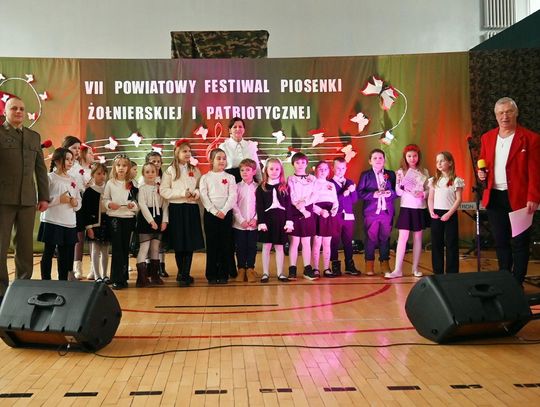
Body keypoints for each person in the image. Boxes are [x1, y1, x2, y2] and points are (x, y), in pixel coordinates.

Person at [478, 97, 540, 285]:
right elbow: (483, 162)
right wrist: (482, 175)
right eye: (501, 113)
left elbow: (535, 171)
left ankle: (517, 283)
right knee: (501, 241)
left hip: (520, 198)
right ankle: (505, 282)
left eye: (508, 112)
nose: (505, 116)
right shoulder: (487, 138)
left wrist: (533, 196)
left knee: (520, 242)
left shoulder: (530, 138)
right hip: (495, 196)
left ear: (516, 113)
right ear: (496, 116)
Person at [0, 97, 49, 303]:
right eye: (14, 108)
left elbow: (40, 169)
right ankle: (1, 291)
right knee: (1, 246)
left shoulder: (33, 136)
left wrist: (44, 196)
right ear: (5, 112)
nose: (18, 112)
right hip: (3, 199)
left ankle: (23, 286)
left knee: (25, 246)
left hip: (28, 200)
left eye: (21, 108)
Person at [160, 139, 205, 287]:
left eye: (189, 151)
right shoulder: (170, 171)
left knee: (189, 242)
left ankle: (185, 273)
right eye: (184, 151)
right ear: (177, 152)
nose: (187, 154)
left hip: (191, 208)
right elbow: (164, 191)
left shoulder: (195, 170)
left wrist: (196, 194)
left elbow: (199, 187)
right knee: (179, 242)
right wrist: (181, 194)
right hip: (177, 209)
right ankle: (181, 273)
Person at [385, 144, 430, 279]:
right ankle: (397, 269)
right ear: (405, 157)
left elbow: (429, 190)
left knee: (418, 238)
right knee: (402, 238)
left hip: (419, 208)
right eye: (409, 156)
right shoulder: (400, 172)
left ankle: (415, 268)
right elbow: (398, 193)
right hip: (406, 208)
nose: (412, 158)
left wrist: (423, 194)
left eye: (415, 156)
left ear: (418, 156)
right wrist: (399, 182)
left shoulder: (424, 171)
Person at [38, 148, 81, 280]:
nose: (70, 162)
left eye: (71, 159)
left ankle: (62, 282)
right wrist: (59, 200)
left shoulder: (73, 179)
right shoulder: (49, 178)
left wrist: (75, 203)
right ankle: (46, 280)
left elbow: (78, 201)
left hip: (69, 223)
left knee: (65, 255)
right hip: (52, 221)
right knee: (49, 252)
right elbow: (42, 201)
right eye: (67, 159)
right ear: (57, 161)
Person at [199, 148, 238, 284]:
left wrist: (224, 210)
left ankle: (223, 273)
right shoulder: (205, 178)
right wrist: (214, 211)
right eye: (218, 158)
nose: (222, 161)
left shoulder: (230, 177)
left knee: (225, 244)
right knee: (212, 244)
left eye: (224, 158)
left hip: (225, 214)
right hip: (211, 215)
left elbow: (233, 195)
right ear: (211, 160)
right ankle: (211, 274)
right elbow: (204, 196)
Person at [357, 149, 397, 276]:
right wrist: (373, 194)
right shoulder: (365, 175)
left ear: (384, 160)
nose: (378, 160)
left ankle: (385, 264)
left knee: (385, 238)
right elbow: (359, 193)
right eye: (375, 158)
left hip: (386, 212)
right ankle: (369, 264)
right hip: (371, 212)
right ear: (370, 161)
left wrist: (390, 193)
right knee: (371, 238)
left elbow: (397, 191)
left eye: (380, 158)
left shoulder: (391, 174)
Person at [103, 154, 139, 289]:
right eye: (118, 165)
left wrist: (132, 205)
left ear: (128, 168)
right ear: (114, 167)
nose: (121, 168)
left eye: (124, 165)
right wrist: (109, 204)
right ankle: (116, 278)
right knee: (117, 247)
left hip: (128, 218)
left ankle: (123, 277)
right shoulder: (110, 183)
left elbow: (136, 202)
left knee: (124, 247)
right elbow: (105, 199)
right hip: (114, 218)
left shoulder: (132, 183)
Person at [256, 158, 294, 283]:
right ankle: (265, 273)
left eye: (277, 169)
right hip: (267, 219)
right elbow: (259, 207)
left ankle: (280, 273)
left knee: (279, 247)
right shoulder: (261, 187)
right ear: (266, 170)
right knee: (266, 246)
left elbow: (288, 206)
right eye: (271, 169)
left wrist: (289, 221)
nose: (274, 171)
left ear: (281, 170)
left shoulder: (285, 187)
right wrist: (261, 222)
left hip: (281, 219)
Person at [428, 151, 464, 274]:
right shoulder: (434, 180)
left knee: (451, 243)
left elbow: (458, 199)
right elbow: (430, 198)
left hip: (450, 213)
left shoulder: (456, 180)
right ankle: (437, 271)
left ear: (450, 163)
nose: (439, 163)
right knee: (436, 243)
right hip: (436, 214)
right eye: (437, 161)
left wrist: (449, 214)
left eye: (442, 161)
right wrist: (431, 211)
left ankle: (452, 272)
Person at [136, 162, 168, 287]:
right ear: (143, 174)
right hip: (146, 219)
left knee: (155, 248)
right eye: (147, 172)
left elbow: (165, 205)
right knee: (144, 248)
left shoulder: (160, 187)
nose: (150, 174)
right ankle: (142, 278)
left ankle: (155, 276)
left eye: (153, 172)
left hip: (158, 218)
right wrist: (151, 221)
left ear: (157, 173)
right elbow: (142, 205)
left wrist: (164, 221)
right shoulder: (142, 188)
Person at [287, 152, 317, 280]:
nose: (300, 165)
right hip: (295, 211)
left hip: (308, 211)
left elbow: (315, 194)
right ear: (293, 164)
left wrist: (305, 204)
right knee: (294, 241)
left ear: (307, 163)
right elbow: (291, 195)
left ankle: (307, 268)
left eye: (303, 162)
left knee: (306, 241)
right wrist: (301, 208)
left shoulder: (313, 178)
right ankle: (292, 269)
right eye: (297, 162)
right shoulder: (290, 179)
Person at [79, 162, 111, 284]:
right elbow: (85, 211)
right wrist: (89, 227)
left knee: (105, 251)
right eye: (98, 173)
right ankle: (97, 275)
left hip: (106, 223)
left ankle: (105, 274)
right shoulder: (89, 191)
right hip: (94, 225)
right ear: (93, 175)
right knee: (95, 251)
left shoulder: (108, 189)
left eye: (104, 173)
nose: (102, 176)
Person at [330, 157, 360, 276]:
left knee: (348, 241)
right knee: (334, 241)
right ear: (332, 168)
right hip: (336, 216)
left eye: (343, 168)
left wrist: (353, 191)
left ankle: (349, 265)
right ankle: (335, 266)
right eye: (338, 168)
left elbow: (354, 200)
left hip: (348, 216)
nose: (340, 171)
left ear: (346, 168)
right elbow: (332, 200)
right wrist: (344, 193)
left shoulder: (350, 182)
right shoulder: (329, 184)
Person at [62, 136, 86, 280]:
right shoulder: (61, 166)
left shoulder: (79, 167)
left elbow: (82, 186)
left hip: (77, 204)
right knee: (65, 239)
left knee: (77, 236)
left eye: (78, 148)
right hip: (64, 206)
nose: (77, 151)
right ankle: (64, 270)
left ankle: (76, 268)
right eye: (74, 148)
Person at [232, 158, 259, 282]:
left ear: (254, 172)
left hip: (253, 224)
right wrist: (240, 220)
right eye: (242, 170)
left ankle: (250, 269)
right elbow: (234, 204)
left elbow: (261, 206)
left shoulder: (258, 187)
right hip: (240, 225)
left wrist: (256, 219)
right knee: (240, 247)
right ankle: (241, 269)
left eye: (247, 170)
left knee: (252, 247)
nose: (244, 172)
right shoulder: (236, 187)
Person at [311, 161, 339, 278]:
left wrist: (334, 210)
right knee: (317, 242)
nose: (323, 171)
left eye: (325, 169)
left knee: (327, 242)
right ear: (315, 170)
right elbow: (310, 202)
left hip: (329, 214)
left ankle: (327, 268)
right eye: (320, 169)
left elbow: (335, 200)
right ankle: (315, 268)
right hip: (318, 214)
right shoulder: (312, 183)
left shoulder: (331, 184)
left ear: (329, 171)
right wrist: (320, 211)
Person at [219, 117, 262, 183]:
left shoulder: (250, 145)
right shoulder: (224, 146)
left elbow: (257, 167)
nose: (238, 129)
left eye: (240, 127)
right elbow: (220, 168)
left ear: (244, 130)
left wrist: (260, 182)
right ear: (230, 130)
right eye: (235, 127)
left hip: (249, 182)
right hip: (231, 182)